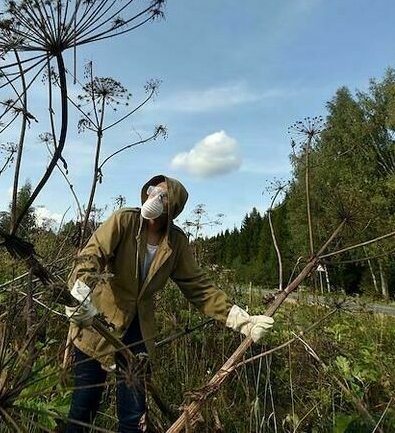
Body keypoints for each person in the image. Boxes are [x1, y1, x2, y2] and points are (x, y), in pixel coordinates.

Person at [64, 175, 275, 432]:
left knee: (133, 416)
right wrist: (79, 294)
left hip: (137, 331)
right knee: (83, 406)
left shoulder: (176, 242)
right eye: (153, 190)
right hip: (96, 321)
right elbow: (91, 255)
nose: (154, 197)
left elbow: (199, 288)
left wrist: (241, 320)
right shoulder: (124, 221)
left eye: (163, 195)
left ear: (172, 207)